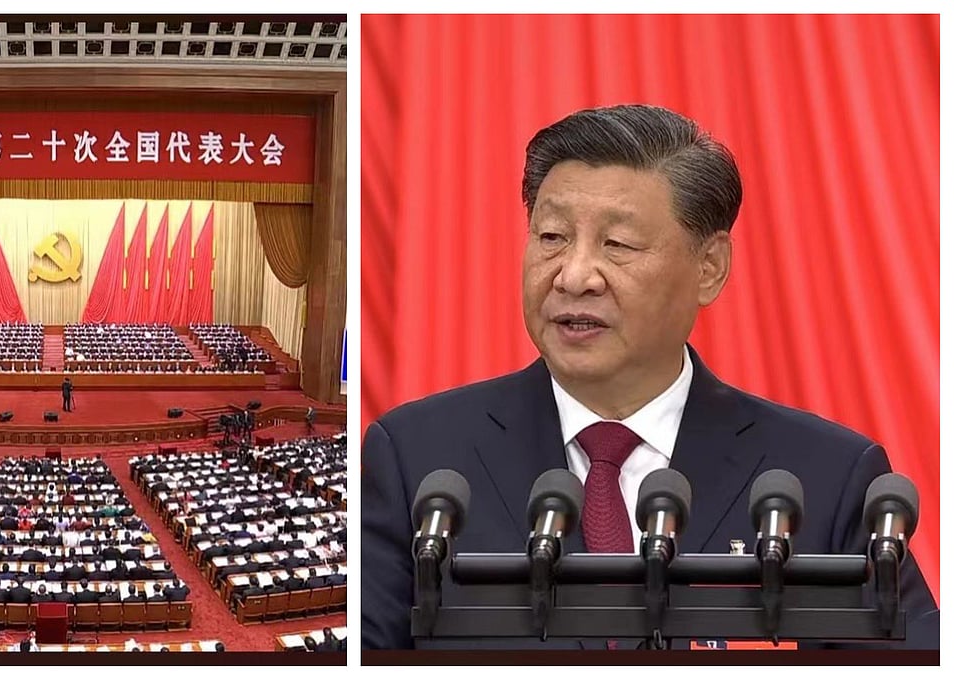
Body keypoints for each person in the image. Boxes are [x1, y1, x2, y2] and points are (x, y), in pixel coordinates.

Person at [360, 104, 939, 650]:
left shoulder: (827, 478)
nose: (575, 275)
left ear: (709, 268)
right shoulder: (419, 460)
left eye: (618, 244)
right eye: (552, 237)